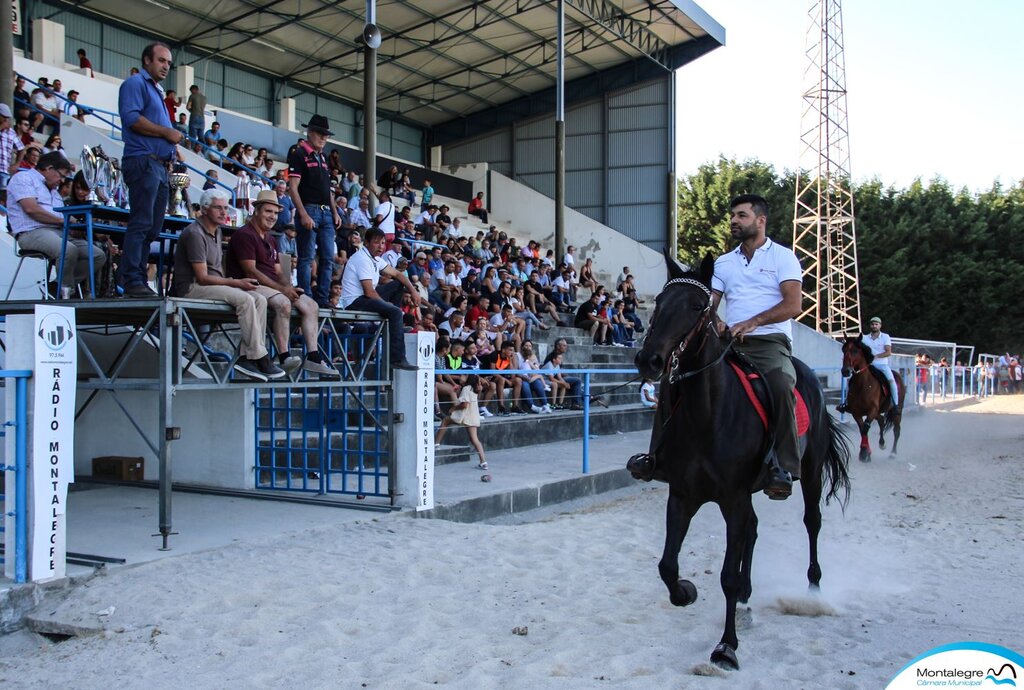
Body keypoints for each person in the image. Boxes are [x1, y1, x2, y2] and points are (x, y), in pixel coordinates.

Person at [711, 194, 802, 500]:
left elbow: (793, 305)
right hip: (729, 342)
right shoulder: (723, 262)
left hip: (769, 341)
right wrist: (717, 323)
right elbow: (710, 306)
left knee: (780, 383)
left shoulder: (783, 257)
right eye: (733, 216)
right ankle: (661, 454)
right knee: (682, 377)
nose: (734, 221)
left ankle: (784, 465)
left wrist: (753, 322)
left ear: (760, 221)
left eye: (741, 215)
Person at [172, 189, 285, 381]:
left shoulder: (217, 231)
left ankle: (245, 356)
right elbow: (202, 277)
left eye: (225, 208)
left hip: (213, 286)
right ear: (205, 209)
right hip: (191, 288)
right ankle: (260, 356)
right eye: (218, 207)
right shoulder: (194, 233)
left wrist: (235, 284)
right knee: (246, 299)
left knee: (259, 299)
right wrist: (235, 283)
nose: (224, 212)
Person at [225, 190, 339, 377]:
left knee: (311, 305)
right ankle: (284, 356)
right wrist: (282, 290)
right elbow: (250, 271)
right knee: (283, 303)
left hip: (272, 287)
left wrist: (289, 287)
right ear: (257, 211)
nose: (272, 217)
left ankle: (313, 356)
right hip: (250, 285)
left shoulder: (271, 238)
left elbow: (278, 272)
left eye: (276, 213)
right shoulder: (245, 234)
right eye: (268, 211)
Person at [118, 41, 182, 297]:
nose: (166, 66)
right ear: (147, 61)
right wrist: (166, 132)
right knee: (142, 222)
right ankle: (132, 279)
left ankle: (138, 278)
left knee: (153, 227)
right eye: (161, 60)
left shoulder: (157, 91)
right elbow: (131, 118)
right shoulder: (135, 84)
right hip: (143, 160)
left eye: (168, 62)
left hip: (159, 165)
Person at [7, 152, 106, 294]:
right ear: (49, 168)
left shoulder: (54, 191)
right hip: (31, 232)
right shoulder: (23, 178)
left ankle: (57, 288)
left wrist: (73, 228)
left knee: (97, 255)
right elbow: (31, 209)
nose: (62, 180)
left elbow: (59, 216)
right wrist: (64, 221)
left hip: (59, 232)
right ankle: (63, 293)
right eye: (61, 175)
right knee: (68, 249)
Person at [340, 227, 420, 371]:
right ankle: (397, 358)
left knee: (398, 284)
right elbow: (369, 292)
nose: (381, 246)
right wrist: (386, 305)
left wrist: (414, 291)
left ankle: (393, 321)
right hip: (355, 301)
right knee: (394, 312)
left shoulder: (376, 259)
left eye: (383, 243)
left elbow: (398, 274)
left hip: (366, 297)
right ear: (367, 243)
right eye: (377, 243)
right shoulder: (362, 259)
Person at [289, 114, 342, 307]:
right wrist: (302, 213)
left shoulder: (323, 157)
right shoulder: (299, 153)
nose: (323, 138)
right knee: (307, 257)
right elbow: (293, 187)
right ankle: (306, 297)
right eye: (320, 134)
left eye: (326, 135)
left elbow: (327, 188)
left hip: (326, 211)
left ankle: (321, 298)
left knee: (328, 258)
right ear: (310, 133)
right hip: (310, 208)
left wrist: (335, 212)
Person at [435, 375, 488, 469]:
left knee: (445, 421)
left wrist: (453, 408)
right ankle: (483, 462)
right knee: (474, 439)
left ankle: (436, 444)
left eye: (465, 376)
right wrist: (481, 381)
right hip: (472, 416)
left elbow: (464, 405)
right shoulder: (477, 390)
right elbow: (484, 384)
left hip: (464, 415)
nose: (461, 377)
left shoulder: (467, 388)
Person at [863, 316, 899, 406]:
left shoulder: (885, 337)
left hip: (882, 365)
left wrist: (875, 356)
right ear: (870, 326)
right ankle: (847, 403)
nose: (874, 326)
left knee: (892, 382)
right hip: (868, 365)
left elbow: (888, 352)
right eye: (872, 324)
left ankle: (895, 405)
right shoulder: (864, 338)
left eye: (876, 324)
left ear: (880, 326)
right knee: (852, 380)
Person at [185, 84, 207, 151]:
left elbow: (188, 107)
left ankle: (192, 150)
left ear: (194, 90)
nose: (191, 92)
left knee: (193, 136)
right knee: (201, 136)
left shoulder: (192, 96)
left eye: (191, 91)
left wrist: (191, 111)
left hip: (194, 116)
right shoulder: (204, 97)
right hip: (202, 118)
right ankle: (203, 150)